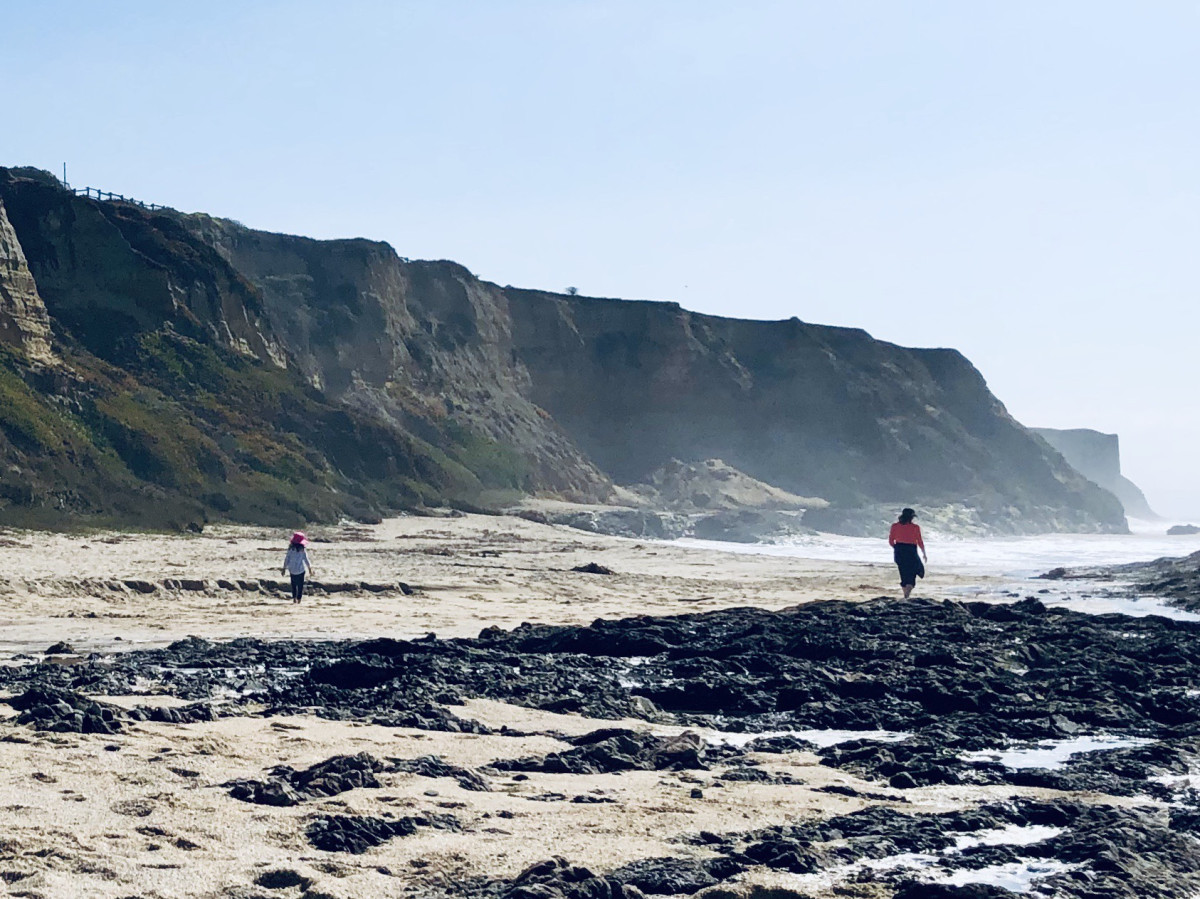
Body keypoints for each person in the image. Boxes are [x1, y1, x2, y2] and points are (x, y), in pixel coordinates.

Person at [888, 508, 926, 599]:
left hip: (899, 550)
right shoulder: (915, 527)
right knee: (914, 572)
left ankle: (906, 595)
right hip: (911, 551)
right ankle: (907, 595)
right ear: (911, 517)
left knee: (903, 572)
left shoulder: (895, 526)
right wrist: (924, 553)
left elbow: (891, 541)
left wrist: (897, 549)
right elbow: (919, 541)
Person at [281, 531, 314, 604]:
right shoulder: (302, 550)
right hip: (301, 570)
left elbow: (287, 560)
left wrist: (284, 569)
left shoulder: (290, 550)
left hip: (292, 570)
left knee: (293, 585)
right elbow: (306, 560)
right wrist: (310, 569)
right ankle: (299, 599)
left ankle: (294, 599)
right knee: (300, 585)